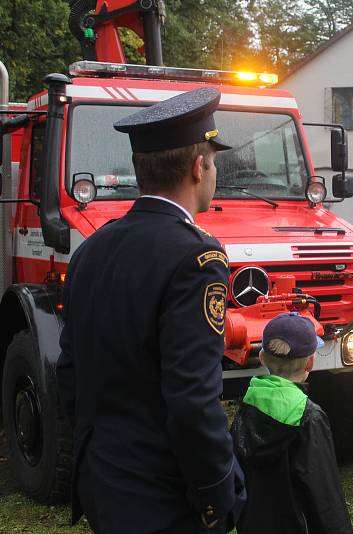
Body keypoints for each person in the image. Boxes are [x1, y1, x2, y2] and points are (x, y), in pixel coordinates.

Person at [57, 87, 246, 532]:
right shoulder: (196, 259)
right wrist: (218, 492)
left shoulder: (92, 248)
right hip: (162, 495)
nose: (213, 171)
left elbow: (70, 369)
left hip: (102, 478)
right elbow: (193, 400)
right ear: (199, 168)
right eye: (213, 161)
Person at [231, 312, 353, 533]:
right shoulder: (309, 418)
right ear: (310, 362)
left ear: (261, 358)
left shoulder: (246, 410)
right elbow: (325, 496)